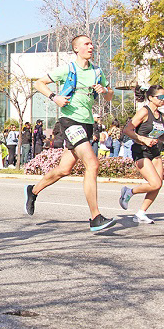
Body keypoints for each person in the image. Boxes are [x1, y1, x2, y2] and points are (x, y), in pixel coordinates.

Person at [24, 35, 116, 232]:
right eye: (86, 44)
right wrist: (54, 97)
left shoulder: (97, 71)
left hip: (88, 123)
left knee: (64, 169)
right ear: (76, 49)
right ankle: (95, 217)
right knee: (92, 163)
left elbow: (110, 95)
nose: (91, 46)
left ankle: (33, 190)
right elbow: (39, 83)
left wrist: (104, 91)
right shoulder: (68, 69)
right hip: (69, 121)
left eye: (92, 43)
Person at [119, 85, 164, 224]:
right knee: (155, 183)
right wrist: (143, 139)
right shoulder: (144, 112)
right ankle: (129, 192)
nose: (163, 100)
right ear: (151, 98)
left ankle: (141, 213)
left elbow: (161, 137)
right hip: (141, 151)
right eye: (160, 97)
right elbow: (127, 130)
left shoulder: (162, 117)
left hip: (155, 151)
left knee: (158, 184)